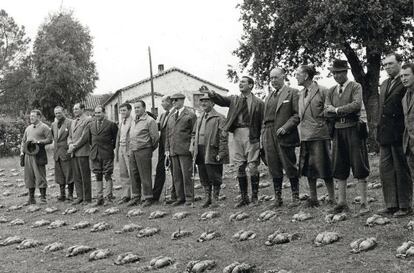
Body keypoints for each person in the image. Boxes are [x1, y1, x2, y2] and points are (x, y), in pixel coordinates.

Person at [202, 76, 264, 207]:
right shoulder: (234, 99)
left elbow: (262, 122)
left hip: (251, 134)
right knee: (239, 166)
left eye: (244, 82)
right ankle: (244, 198)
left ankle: (255, 198)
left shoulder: (258, 102)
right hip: (237, 134)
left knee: (253, 166)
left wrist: (261, 138)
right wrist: (212, 94)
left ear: (251, 85)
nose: (240, 84)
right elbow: (221, 100)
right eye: (240, 82)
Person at [324, 59, 370, 215]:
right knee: (339, 166)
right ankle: (341, 202)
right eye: (334, 73)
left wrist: (336, 110)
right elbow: (326, 110)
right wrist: (336, 111)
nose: (336, 75)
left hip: (353, 129)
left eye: (339, 72)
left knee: (359, 165)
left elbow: (356, 105)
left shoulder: (356, 87)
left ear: (346, 72)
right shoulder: (331, 91)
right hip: (337, 130)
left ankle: (364, 203)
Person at [377, 53, 411, 217]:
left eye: (391, 63)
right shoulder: (384, 84)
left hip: (399, 132)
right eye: (385, 65)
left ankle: (404, 205)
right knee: (386, 169)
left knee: (401, 168)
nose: (387, 67)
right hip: (385, 133)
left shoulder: (404, 81)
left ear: (399, 63)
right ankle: (391, 204)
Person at [296, 65, 335, 207]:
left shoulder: (323, 90)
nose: (296, 77)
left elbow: (329, 111)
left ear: (306, 76)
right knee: (308, 168)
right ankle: (314, 198)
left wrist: (323, 126)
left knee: (325, 167)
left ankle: (332, 198)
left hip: (320, 135)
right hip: (305, 135)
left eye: (298, 74)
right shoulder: (300, 94)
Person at [262, 68, 300, 208]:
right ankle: (278, 198)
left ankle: (295, 196)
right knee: (273, 165)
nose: (273, 81)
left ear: (284, 77)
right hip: (268, 133)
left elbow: (297, 115)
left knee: (289, 164)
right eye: (271, 78)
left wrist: (286, 127)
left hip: (284, 134)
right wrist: (263, 137)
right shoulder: (268, 96)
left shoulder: (293, 93)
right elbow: (264, 119)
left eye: (276, 77)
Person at [190, 92, 229, 208]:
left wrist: (221, 152)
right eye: (202, 101)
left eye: (206, 101)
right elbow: (193, 134)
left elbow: (223, 137)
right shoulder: (200, 117)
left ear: (213, 103)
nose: (203, 103)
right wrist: (192, 146)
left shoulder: (220, 118)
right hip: (200, 150)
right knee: (203, 175)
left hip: (212, 150)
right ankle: (207, 198)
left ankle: (215, 199)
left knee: (214, 175)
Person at [165, 93, 197, 206]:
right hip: (173, 150)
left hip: (185, 150)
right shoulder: (171, 115)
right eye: (172, 100)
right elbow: (168, 134)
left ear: (182, 100)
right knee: (176, 176)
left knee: (186, 175)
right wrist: (167, 148)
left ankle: (189, 198)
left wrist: (192, 147)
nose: (173, 102)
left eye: (176, 100)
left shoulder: (190, 115)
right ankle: (180, 197)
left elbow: (194, 133)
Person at [127, 100, 159, 207]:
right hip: (133, 150)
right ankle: (136, 196)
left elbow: (155, 138)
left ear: (144, 108)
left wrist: (148, 148)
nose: (136, 110)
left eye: (138, 107)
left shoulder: (150, 121)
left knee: (145, 174)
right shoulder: (133, 120)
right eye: (135, 108)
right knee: (134, 173)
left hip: (144, 150)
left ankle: (148, 197)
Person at [20, 109, 52, 204]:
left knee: (40, 175)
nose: (31, 118)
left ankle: (43, 198)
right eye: (30, 116)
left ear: (39, 117)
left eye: (33, 116)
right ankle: (31, 198)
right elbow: (23, 141)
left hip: (39, 154)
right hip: (28, 155)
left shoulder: (44, 127)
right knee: (29, 176)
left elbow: (50, 140)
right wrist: (22, 153)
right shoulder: (28, 128)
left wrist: (38, 142)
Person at [90, 105, 118, 206]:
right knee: (97, 175)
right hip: (95, 154)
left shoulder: (111, 125)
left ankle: (108, 197)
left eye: (99, 113)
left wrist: (109, 148)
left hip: (107, 154)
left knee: (107, 174)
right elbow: (90, 140)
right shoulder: (91, 125)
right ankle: (99, 197)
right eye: (96, 113)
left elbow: (115, 140)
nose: (97, 115)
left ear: (104, 113)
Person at [397, 63, 414, 216]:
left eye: (407, 75)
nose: (403, 78)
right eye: (401, 76)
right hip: (409, 145)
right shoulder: (404, 97)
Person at [152, 96, 177, 203]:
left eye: (163, 101)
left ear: (170, 102)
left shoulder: (176, 113)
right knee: (160, 169)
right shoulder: (163, 115)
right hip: (163, 147)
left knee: (175, 170)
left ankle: (175, 195)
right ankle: (155, 196)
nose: (161, 104)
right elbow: (160, 127)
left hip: (173, 146)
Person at [68, 103, 92, 205]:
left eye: (77, 109)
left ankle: (87, 198)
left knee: (84, 175)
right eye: (74, 109)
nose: (75, 111)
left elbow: (85, 137)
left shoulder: (88, 120)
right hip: (74, 152)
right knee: (77, 176)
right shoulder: (73, 122)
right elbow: (69, 136)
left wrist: (74, 146)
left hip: (83, 152)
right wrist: (69, 144)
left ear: (83, 109)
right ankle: (79, 196)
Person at [51, 106, 74, 202]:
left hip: (66, 152)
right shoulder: (53, 124)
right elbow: (54, 138)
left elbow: (71, 136)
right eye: (56, 113)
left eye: (59, 113)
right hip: (57, 153)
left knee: (69, 174)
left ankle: (70, 195)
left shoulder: (70, 122)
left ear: (63, 112)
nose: (58, 115)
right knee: (59, 175)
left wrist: (70, 149)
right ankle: (62, 194)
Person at [115, 103, 133, 204]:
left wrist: (129, 149)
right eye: (121, 110)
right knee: (123, 173)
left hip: (129, 149)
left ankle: (135, 194)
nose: (122, 112)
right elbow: (119, 136)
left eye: (124, 110)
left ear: (129, 111)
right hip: (121, 148)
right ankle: (126, 195)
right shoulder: (121, 122)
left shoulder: (133, 121)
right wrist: (117, 151)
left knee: (132, 173)